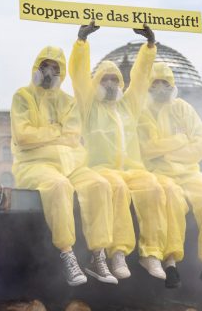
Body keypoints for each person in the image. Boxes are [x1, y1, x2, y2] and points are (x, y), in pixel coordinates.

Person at [10, 45, 118, 286]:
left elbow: (72, 136)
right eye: (45, 66)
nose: (49, 72)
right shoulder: (22, 97)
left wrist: (47, 134)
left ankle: (97, 256)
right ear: (36, 68)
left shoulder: (68, 101)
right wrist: (57, 131)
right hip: (35, 165)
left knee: (100, 185)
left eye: (55, 68)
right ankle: (67, 253)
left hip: (72, 165)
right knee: (58, 187)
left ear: (62, 73)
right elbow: (23, 136)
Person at [69, 22, 168, 280]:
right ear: (97, 83)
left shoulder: (128, 106)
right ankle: (118, 253)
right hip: (102, 169)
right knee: (119, 189)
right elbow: (79, 77)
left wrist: (149, 46)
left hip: (133, 169)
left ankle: (151, 254)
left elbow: (141, 79)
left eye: (115, 79)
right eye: (105, 79)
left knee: (154, 187)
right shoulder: (90, 107)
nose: (111, 83)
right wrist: (81, 42)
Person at [137, 62, 202, 291]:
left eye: (165, 83)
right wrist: (180, 141)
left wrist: (167, 153)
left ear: (172, 85)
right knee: (173, 200)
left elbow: (201, 144)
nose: (160, 87)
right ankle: (170, 263)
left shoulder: (184, 108)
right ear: (148, 86)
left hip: (189, 172)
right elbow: (146, 148)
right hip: (158, 174)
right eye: (155, 83)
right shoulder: (142, 113)